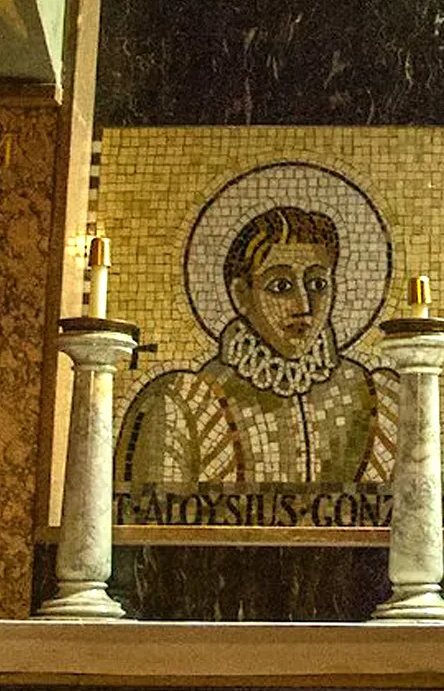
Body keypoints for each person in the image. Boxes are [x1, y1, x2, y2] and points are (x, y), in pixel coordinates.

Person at [118, 206, 393, 485]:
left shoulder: (379, 399)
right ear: (241, 296)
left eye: (318, 283)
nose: (304, 306)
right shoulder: (184, 406)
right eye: (281, 286)